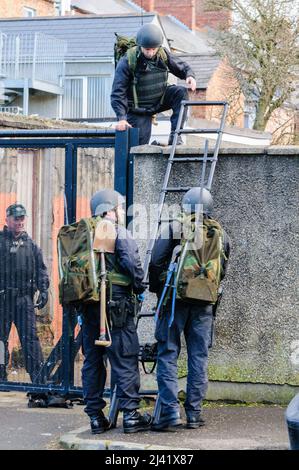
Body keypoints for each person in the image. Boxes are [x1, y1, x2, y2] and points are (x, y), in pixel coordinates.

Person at [149, 188, 230, 431]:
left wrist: (159, 288)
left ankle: (171, 411)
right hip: (205, 303)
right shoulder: (220, 233)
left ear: (185, 206)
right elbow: (222, 270)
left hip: (174, 300)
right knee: (198, 356)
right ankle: (194, 413)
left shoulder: (176, 226)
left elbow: (155, 261)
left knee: (168, 352)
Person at [80, 189, 151, 435]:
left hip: (89, 306)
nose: (122, 212)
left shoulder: (83, 235)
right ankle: (131, 415)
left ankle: (96, 418)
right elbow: (132, 262)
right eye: (120, 208)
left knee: (92, 361)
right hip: (116, 305)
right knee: (125, 356)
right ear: (109, 210)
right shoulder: (116, 231)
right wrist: (140, 286)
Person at [111, 23, 196, 146]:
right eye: (147, 49)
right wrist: (122, 118)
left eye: (153, 49)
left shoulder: (162, 54)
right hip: (138, 110)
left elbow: (180, 66)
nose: (150, 53)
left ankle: (175, 136)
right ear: (140, 46)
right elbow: (118, 92)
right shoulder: (128, 61)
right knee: (139, 149)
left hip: (158, 100)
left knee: (180, 92)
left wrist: (189, 75)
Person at [0, 203, 49, 383]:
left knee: (30, 340)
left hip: (24, 300)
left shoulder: (31, 246)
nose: (20, 222)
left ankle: (38, 379)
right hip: (3, 299)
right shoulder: (0, 242)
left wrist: (43, 289)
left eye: (22, 218)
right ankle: (0, 377)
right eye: (16, 218)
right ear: (7, 220)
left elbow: (41, 270)